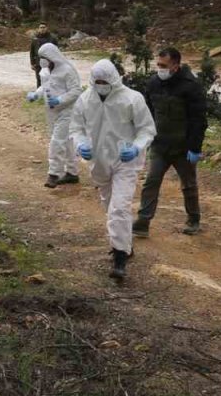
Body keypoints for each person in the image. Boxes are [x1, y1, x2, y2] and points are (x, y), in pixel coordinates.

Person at [70, 59, 155, 281]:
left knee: (119, 207)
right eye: (97, 82)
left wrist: (136, 147)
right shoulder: (85, 100)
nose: (101, 86)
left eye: (104, 82)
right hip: (99, 162)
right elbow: (76, 128)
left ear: (114, 79)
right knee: (110, 206)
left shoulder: (132, 99)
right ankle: (125, 244)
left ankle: (119, 258)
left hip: (125, 162)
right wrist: (80, 144)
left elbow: (147, 129)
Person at [135, 47, 208, 237]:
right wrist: (145, 135)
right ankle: (143, 221)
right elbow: (147, 113)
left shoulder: (191, 86)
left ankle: (193, 219)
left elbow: (198, 120)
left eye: (164, 65)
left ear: (175, 65)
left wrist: (195, 147)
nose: (160, 69)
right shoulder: (153, 83)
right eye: (158, 65)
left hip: (183, 147)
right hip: (160, 145)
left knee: (188, 184)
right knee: (151, 182)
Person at [26, 43, 82, 188]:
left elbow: (76, 91)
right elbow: (45, 86)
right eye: (40, 57)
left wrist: (60, 100)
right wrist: (36, 94)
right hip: (51, 112)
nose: (42, 60)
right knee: (66, 142)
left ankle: (54, 174)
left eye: (44, 57)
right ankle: (72, 172)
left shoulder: (67, 70)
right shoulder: (45, 71)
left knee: (56, 141)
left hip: (66, 111)